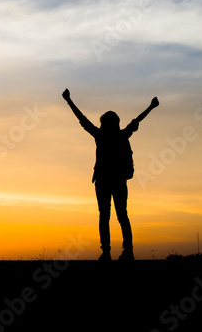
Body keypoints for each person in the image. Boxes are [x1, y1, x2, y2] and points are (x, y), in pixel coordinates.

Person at [62, 88, 159, 261]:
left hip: (102, 181)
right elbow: (137, 120)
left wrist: (69, 101)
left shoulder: (100, 135)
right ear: (117, 123)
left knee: (104, 216)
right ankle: (127, 251)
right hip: (119, 181)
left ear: (103, 124)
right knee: (122, 215)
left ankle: (107, 252)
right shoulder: (122, 136)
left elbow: (82, 119)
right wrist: (151, 107)